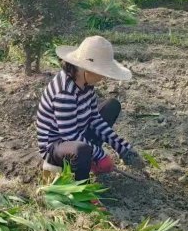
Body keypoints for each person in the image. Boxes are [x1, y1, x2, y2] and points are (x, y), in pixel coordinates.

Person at [37, 35, 143, 181]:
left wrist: (122, 147)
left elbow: (95, 118)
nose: (103, 77)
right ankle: (81, 186)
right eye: (101, 72)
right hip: (57, 146)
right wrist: (100, 154)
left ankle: (90, 157)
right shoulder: (65, 93)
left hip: (78, 132)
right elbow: (70, 135)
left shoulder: (85, 83)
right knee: (82, 149)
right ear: (86, 69)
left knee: (111, 106)